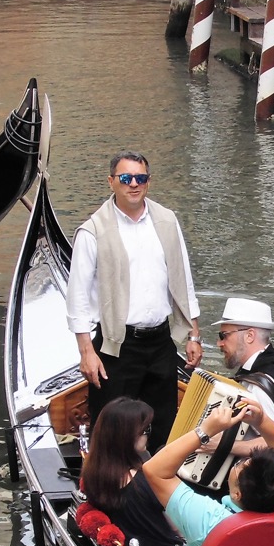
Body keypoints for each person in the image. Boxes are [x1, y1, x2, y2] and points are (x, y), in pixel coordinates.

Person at [66, 151, 203, 449]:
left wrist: (193, 335)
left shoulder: (167, 221)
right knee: (112, 426)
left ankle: (157, 486)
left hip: (160, 343)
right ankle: (110, 487)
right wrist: (86, 353)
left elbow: (183, 281)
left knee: (163, 424)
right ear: (112, 182)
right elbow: (76, 298)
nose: (133, 185)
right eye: (126, 178)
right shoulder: (93, 231)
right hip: (116, 345)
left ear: (148, 182)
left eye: (140, 178)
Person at [142, 401, 274, 546]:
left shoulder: (209, 520)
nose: (239, 462)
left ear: (237, 494)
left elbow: (155, 470)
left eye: (241, 464)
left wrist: (205, 431)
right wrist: (261, 420)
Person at [78, 397, 187, 546]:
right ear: (127, 436)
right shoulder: (147, 479)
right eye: (146, 429)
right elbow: (179, 526)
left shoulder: (93, 474)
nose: (148, 434)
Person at [211, 297, 274, 459]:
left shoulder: (260, 387)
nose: (219, 343)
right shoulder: (272, 365)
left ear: (249, 336)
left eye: (224, 335)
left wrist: (221, 445)